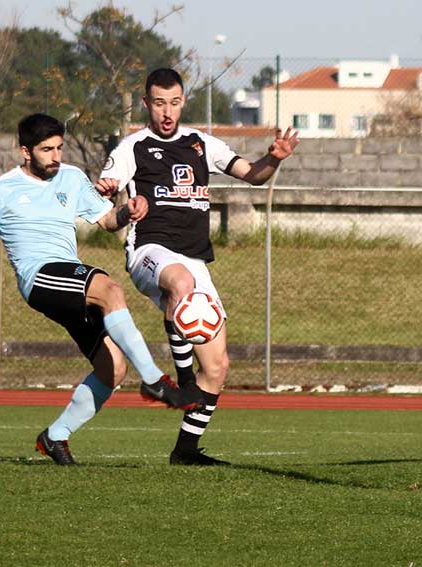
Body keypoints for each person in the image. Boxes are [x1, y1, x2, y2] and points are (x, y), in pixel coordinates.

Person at [0, 113, 203, 466]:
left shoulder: (72, 178)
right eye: (47, 150)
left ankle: (55, 437)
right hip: (39, 276)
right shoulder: (0, 190)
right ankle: (154, 380)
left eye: (59, 148)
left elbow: (107, 220)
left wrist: (128, 212)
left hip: (68, 279)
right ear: (25, 151)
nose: (56, 156)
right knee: (109, 289)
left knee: (113, 368)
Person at [96, 68, 299, 466]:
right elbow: (109, 183)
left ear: (183, 101)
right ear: (146, 104)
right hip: (149, 252)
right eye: (158, 103)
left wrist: (272, 159)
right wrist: (112, 194)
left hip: (194, 257)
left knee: (219, 366)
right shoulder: (132, 147)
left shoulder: (201, 143)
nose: (166, 112)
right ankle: (181, 380)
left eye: (173, 102)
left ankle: (185, 450)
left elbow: (253, 176)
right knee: (180, 282)